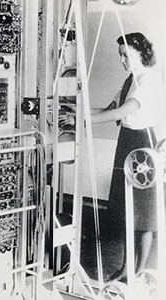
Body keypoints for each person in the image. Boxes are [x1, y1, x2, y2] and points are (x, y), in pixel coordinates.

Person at [60, 32, 164, 282]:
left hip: (142, 145)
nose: (122, 60)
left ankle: (139, 271)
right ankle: (127, 268)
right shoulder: (131, 79)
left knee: (143, 211)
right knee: (126, 208)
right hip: (126, 142)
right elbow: (108, 110)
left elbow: (124, 110)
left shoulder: (150, 79)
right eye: (120, 55)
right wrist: (76, 110)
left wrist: (81, 120)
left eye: (125, 55)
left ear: (141, 53)